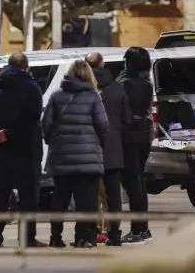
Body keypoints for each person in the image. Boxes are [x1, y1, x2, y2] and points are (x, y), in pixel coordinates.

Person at [0, 52, 46, 248]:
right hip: (25, 149)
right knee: (27, 197)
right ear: (27, 67)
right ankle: (26, 238)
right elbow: (32, 118)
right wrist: (10, 133)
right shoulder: (32, 88)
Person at [42, 60, 109, 248]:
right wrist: (98, 145)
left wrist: (53, 141)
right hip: (88, 158)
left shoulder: (56, 97)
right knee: (86, 200)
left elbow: (45, 125)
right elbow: (103, 125)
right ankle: (84, 237)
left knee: (60, 198)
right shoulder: (94, 97)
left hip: (61, 156)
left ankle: (55, 237)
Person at [86, 52, 132, 246]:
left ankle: (90, 233)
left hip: (89, 150)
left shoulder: (85, 90)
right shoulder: (118, 89)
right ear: (103, 65)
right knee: (113, 197)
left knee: (90, 194)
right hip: (113, 150)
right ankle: (114, 234)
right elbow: (128, 120)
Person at [116, 47, 155, 245]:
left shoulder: (126, 84)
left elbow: (121, 112)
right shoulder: (147, 82)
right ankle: (143, 229)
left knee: (132, 185)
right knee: (139, 183)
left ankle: (137, 230)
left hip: (128, 138)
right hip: (143, 137)